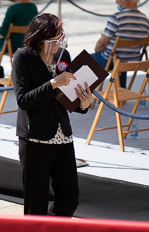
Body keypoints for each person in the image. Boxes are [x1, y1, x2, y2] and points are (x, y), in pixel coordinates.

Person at [12, 13, 92, 216]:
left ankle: (54, 228)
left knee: (70, 199)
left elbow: (69, 99)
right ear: (38, 38)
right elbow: (23, 100)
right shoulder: (23, 57)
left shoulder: (63, 56)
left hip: (63, 136)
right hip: (35, 138)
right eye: (52, 40)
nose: (57, 44)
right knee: (35, 205)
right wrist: (53, 83)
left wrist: (84, 104)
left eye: (60, 38)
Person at [91, 0, 149, 87]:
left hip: (111, 61)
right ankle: (120, 93)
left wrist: (97, 50)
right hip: (132, 62)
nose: (116, 1)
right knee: (120, 59)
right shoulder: (145, 20)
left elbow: (102, 43)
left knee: (81, 62)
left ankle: (79, 97)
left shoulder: (117, 17)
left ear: (126, 0)